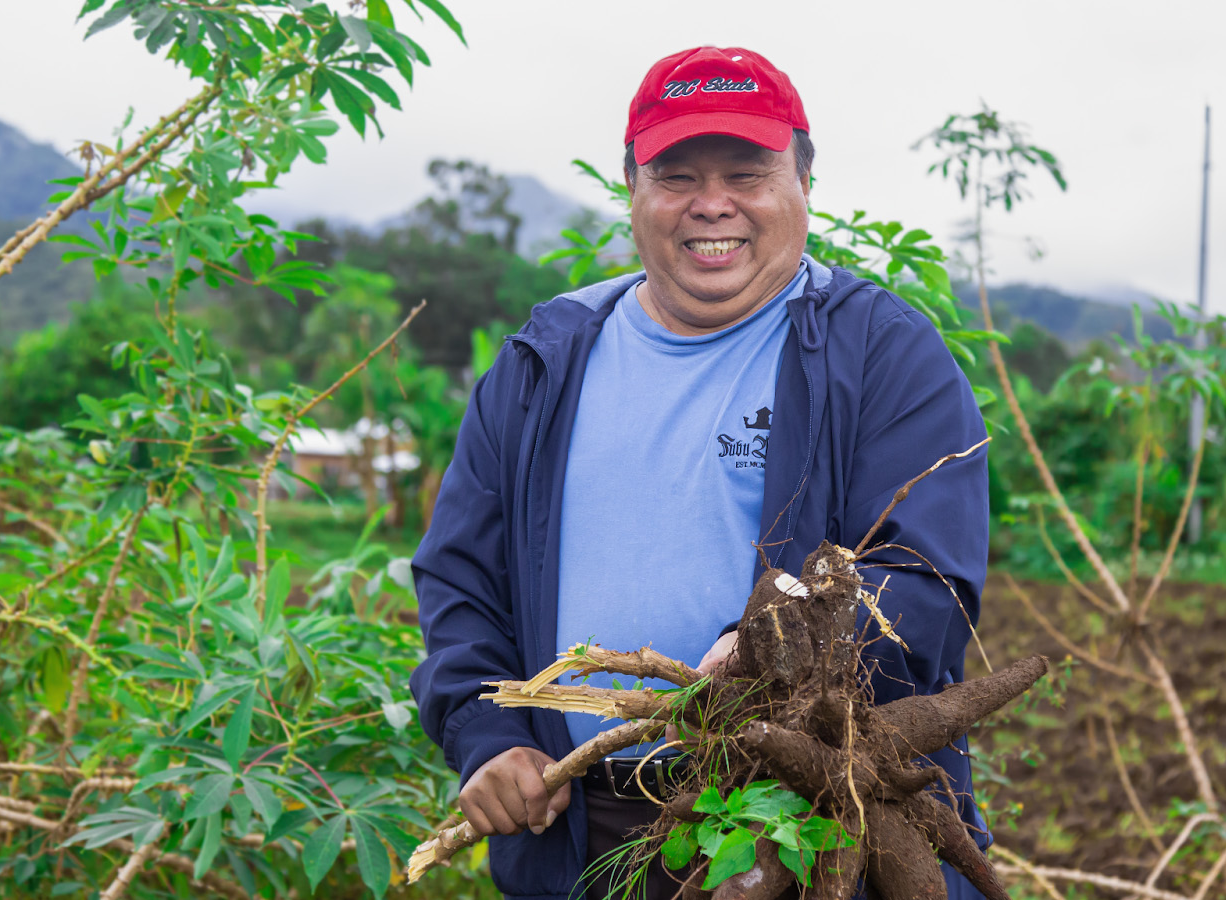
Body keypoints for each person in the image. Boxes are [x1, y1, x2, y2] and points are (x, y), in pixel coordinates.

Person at [410, 46, 990, 900]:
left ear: (803, 183)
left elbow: (926, 587)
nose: (711, 203)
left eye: (748, 173)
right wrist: (484, 735)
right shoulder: (546, 359)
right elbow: (461, 574)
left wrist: (768, 651)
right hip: (577, 833)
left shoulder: (883, 353)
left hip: (805, 829)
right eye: (676, 175)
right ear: (632, 187)